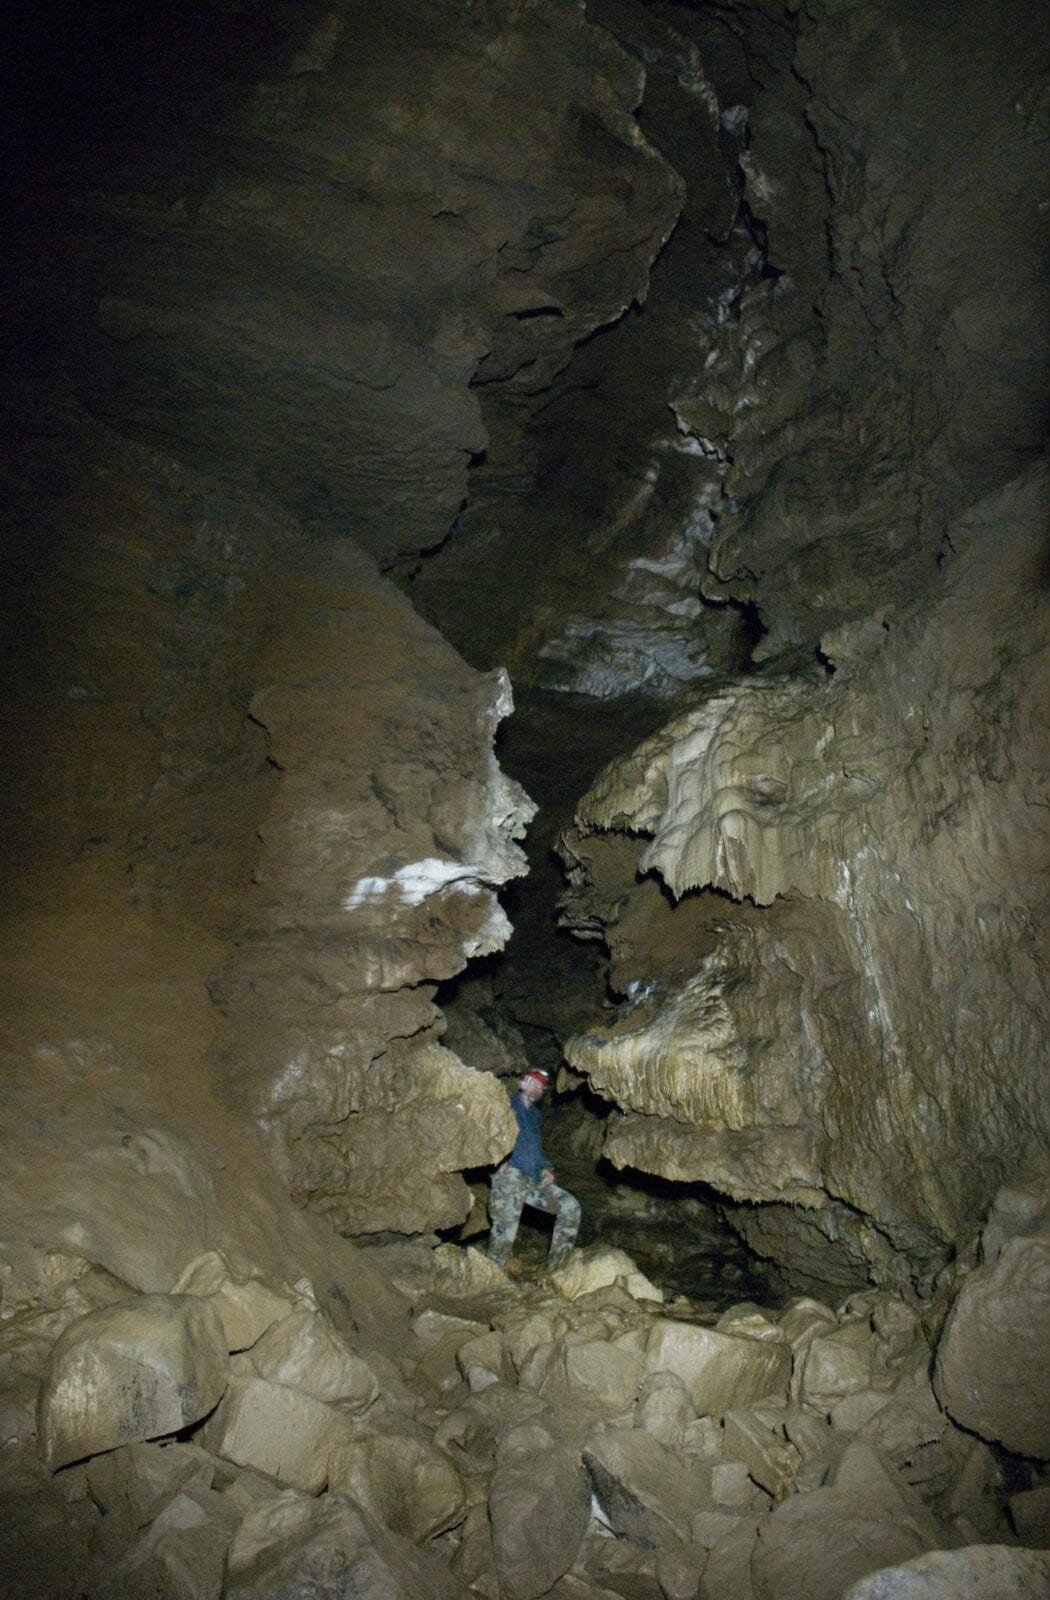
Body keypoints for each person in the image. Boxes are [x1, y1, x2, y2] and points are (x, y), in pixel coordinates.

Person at [487, 1066, 581, 1273]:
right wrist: (497, 1159)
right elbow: (488, 1130)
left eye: (542, 1085)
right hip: (510, 1174)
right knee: (506, 1224)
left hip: (533, 1179)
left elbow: (535, 1152)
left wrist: (547, 1167)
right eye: (533, 1081)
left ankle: (556, 1269)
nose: (538, 1087)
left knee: (569, 1206)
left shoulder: (534, 1117)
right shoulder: (506, 1105)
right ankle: (492, 1272)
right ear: (522, 1083)